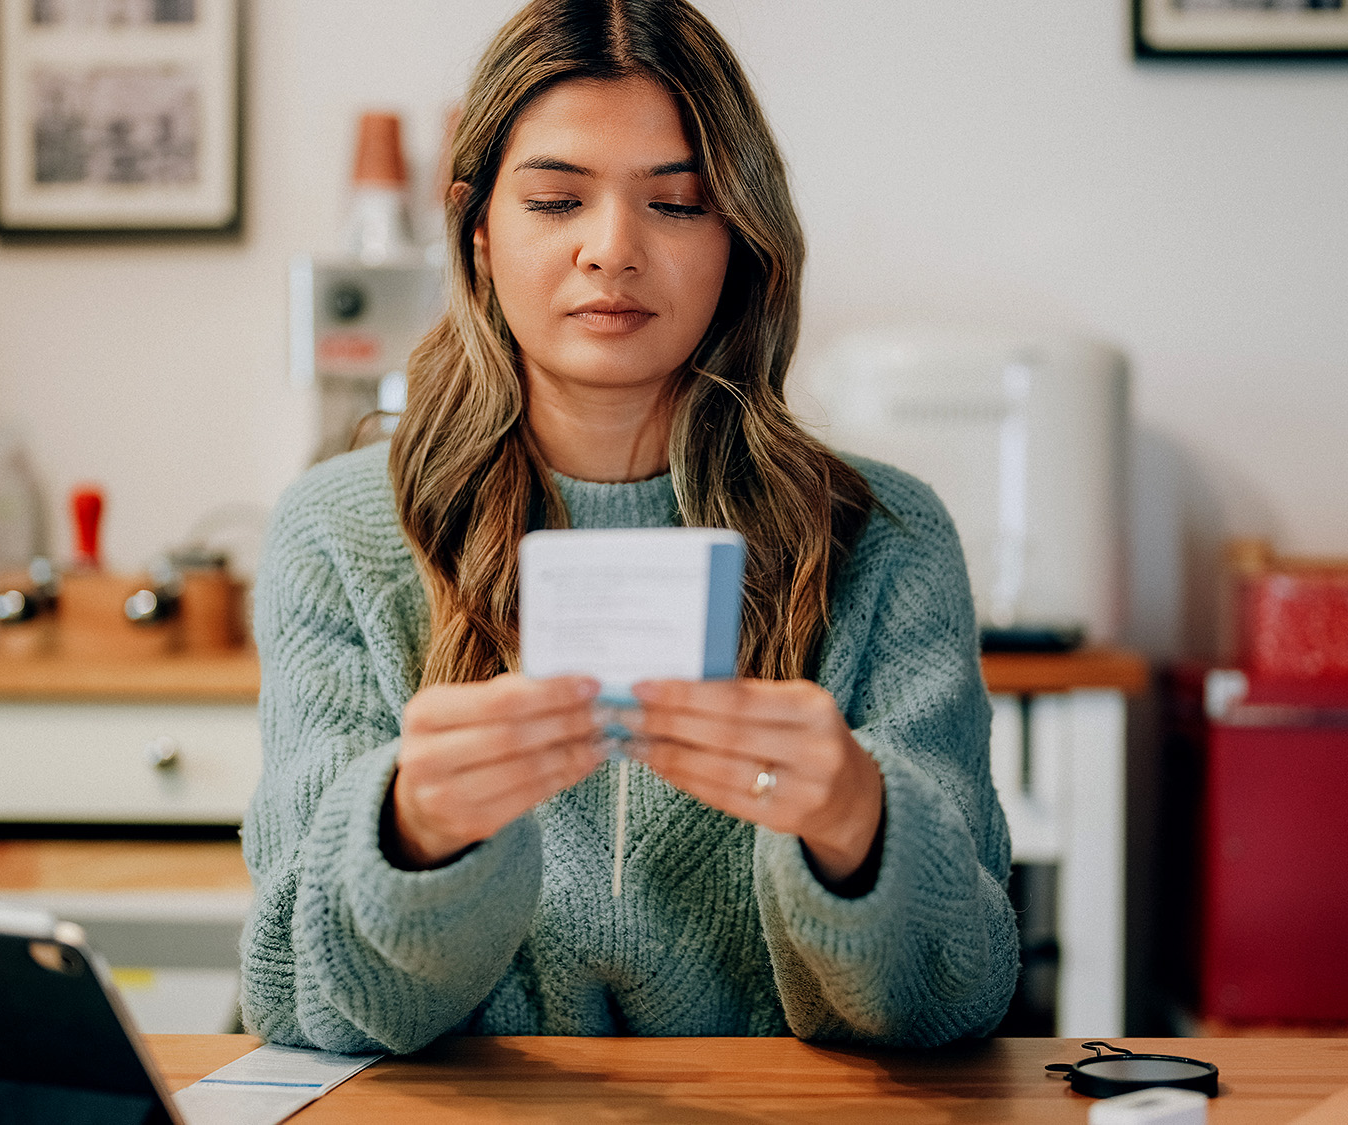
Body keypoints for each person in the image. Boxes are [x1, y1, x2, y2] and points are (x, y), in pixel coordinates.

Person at [241, 0, 1017, 1054]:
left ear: (741, 236)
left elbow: (957, 1001)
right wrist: (408, 837)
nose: (610, 251)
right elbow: (301, 1004)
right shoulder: (338, 533)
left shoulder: (882, 537)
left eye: (678, 205)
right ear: (476, 229)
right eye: (555, 200)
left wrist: (856, 827)